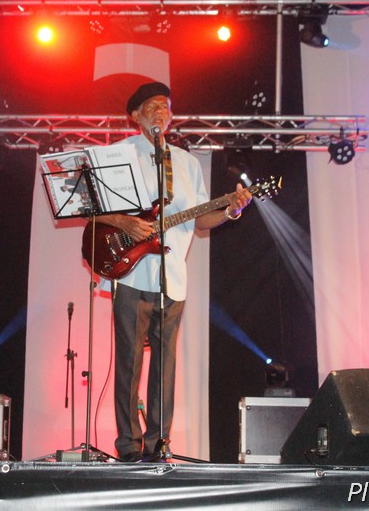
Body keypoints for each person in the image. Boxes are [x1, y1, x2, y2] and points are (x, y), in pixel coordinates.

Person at [95, 82, 253, 462]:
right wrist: (125, 222)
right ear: (135, 116)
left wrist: (230, 210)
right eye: (151, 106)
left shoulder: (185, 163)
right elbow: (92, 208)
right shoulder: (116, 155)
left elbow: (200, 220)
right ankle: (128, 447)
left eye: (165, 106)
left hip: (172, 277)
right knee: (129, 362)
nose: (160, 112)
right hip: (130, 273)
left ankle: (157, 446)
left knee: (165, 367)